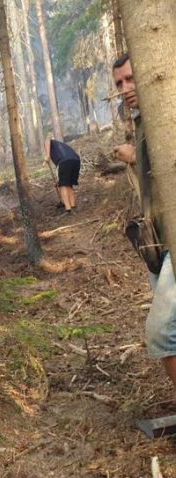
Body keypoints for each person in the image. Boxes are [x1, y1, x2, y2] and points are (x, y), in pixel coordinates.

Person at [112, 53, 176, 388]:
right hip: (159, 239)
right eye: (119, 83)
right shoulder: (141, 123)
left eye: (131, 78)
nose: (125, 88)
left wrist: (135, 156)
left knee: (163, 331)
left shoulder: (168, 114)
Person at [44, 136, 81, 215]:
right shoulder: (61, 146)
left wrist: (47, 155)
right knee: (69, 185)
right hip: (76, 160)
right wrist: (58, 181)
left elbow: (47, 139)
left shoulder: (52, 142)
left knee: (63, 186)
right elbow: (62, 171)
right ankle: (73, 206)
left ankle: (68, 210)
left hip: (64, 161)